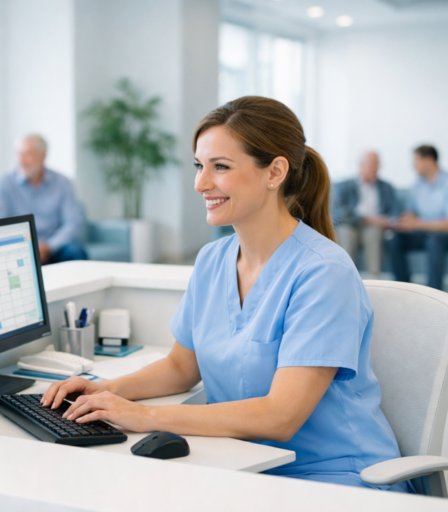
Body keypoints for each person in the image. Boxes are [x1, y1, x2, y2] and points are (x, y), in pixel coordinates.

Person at [42, 96, 410, 492]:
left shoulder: (323, 272)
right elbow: (183, 367)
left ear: (275, 172)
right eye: (200, 166)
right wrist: (105, 391)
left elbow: (279, 418)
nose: (201, 183)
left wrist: (143, 416)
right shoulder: (213, 260)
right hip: (246, 466)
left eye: (221, 167)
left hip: (336, 478)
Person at [0, 134, 87, 264]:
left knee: (76, 252)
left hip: (54, 246)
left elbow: (73, 223)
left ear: (42, 156)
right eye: (18, 154)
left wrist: (49, 246)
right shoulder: (4, 183)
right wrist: (27, 246)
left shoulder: (62, 182)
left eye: (27, 155)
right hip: (20, 247)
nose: (21, 160)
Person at [387, 145, 448, 290]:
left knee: (434, 241)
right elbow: (412, 213)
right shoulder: (417, 185)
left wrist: (418, 224)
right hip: (426, 232)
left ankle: (434, 292)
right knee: (394, 239)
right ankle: (403, 289)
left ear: (429, 160)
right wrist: (403, 222)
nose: (413, 166)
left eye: (416, 161)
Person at [331, 151, 400, 278]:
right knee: (346, 233)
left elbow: (395, 211)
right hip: (351, 224)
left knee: (374, 233)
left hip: (375, 228)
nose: (375, 168)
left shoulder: (386, 188)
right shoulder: (344, 186)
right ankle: (345, 278)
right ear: (361, 165)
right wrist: (366, 218)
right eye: (372, 164)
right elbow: (337, 212)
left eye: (378, 164)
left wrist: (387, 221)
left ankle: (374, 280)